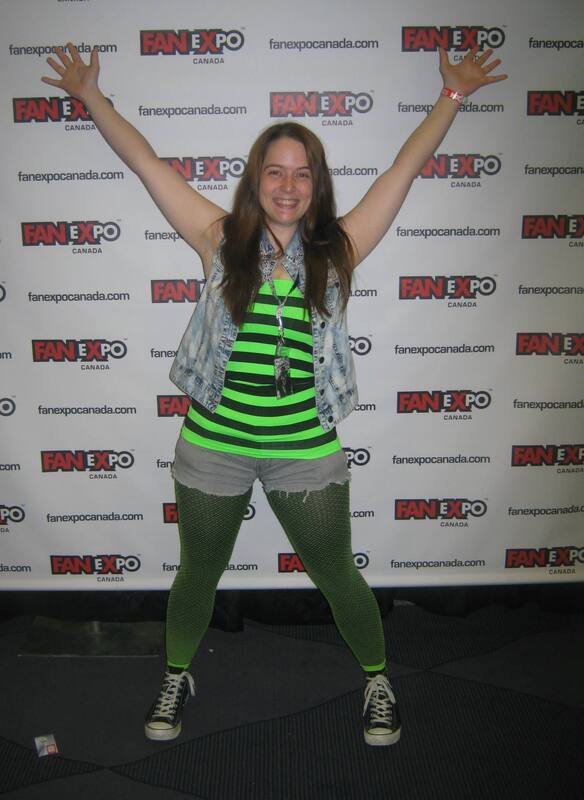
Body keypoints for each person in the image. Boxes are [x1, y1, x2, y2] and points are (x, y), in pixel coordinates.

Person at [42, 42, 506, 746]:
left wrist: (452, 96)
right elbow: (146, 163)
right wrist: (90, 97)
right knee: (198, 572)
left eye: (302, 173)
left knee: (337, 573)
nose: (288, 186)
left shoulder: (338, 250)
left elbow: (402, 171)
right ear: (255, 180)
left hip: (303, 449)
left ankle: (378, 680)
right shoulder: (218, 240)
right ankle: (177, 674)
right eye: (275, 171)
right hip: (213, 444)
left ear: (317, 186)